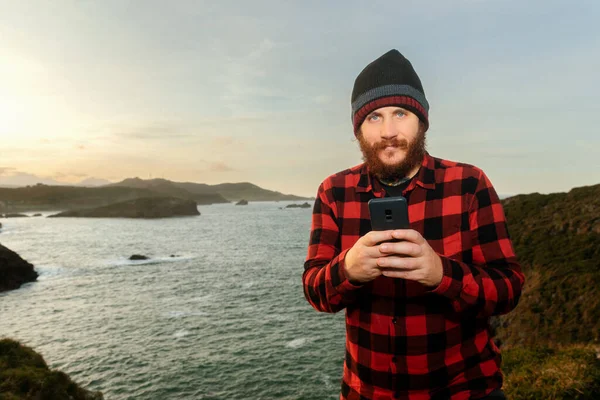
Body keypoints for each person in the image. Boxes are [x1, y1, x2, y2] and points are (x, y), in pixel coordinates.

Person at [302, 49, 525, 400]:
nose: (389, 131)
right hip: (367, 393)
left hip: (465, 391)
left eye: (400, 113)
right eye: (374, 117)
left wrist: (442, 274)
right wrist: (349, 269)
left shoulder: (469, 183)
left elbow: (509, 288)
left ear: (421, 121)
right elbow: (315, 291)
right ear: (358, 128)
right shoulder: (334, 191)